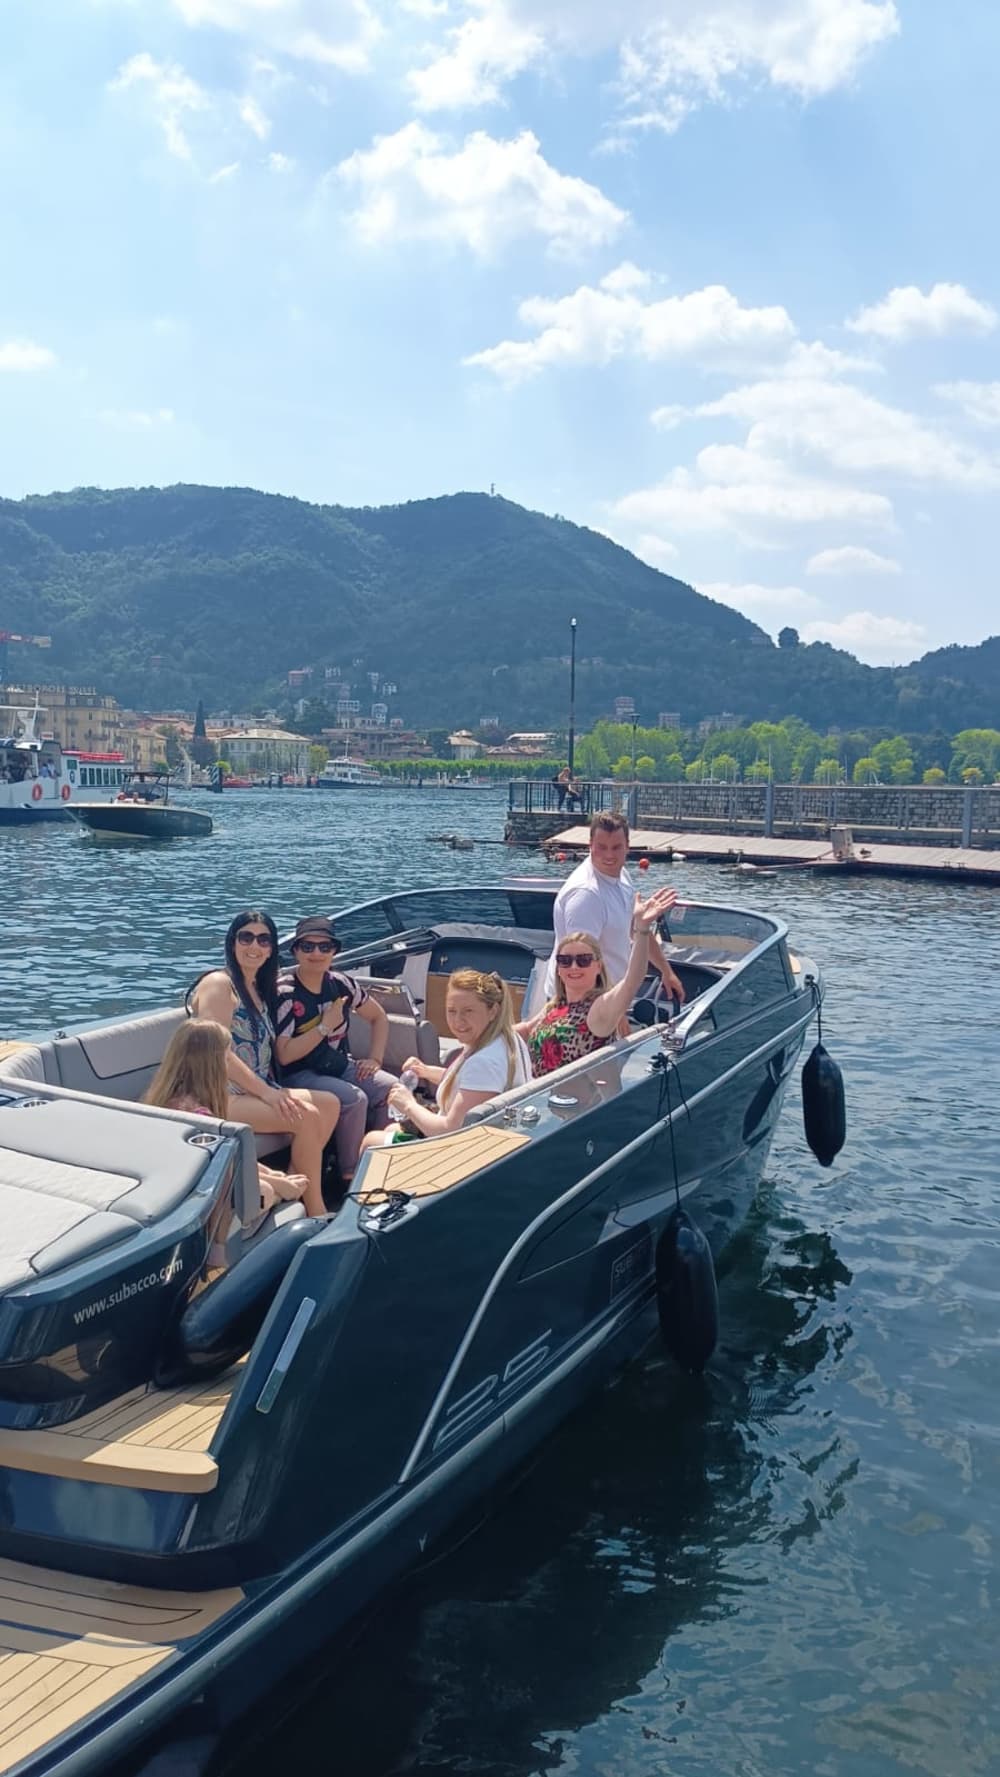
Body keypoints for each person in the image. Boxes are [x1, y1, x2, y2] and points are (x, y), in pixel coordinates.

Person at [188, 911, 339, 1219]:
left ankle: (291, 1192)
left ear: (271, 948)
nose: (254, 946)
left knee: (330, 1104)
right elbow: (218, 1053)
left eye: (263, 939)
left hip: (253, 1091)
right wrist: (269, 1094)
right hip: (215, 1095)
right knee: (306, 1116)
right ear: (232, 942)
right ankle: (316, 1210)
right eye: (246, 937)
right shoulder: (219, 984)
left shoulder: (257, 989)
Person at [145, 1018, 308, 1217]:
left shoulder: (166, 1098)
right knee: (264, 1190)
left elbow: (231, 1158)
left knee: (268, 1182)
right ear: (212, 1064)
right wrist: (279, 1185)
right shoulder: (199, 1116)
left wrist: (270, 1173)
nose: (230, 1063)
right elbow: (222, 1168)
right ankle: (279, 1198)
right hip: (192, 1189)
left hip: (180, 1178)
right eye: (227, 1057)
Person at [275, 916, 395, 1182]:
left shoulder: (342, 984)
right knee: (355, 1099)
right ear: (295, 951)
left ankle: (381, 1155)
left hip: (338, 1064)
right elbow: (284, 1055)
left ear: (334, 951)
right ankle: (350, 1174)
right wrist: (324, 1027)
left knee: (392, 1088)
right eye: (307, 947)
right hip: (298, 1072)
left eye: (324, 947)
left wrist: (375, 1058)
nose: (316, 953)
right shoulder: (285, 992)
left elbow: (378, 1017)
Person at [359, 969, 531, 1149]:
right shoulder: (504, 1037)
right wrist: (425, 1071)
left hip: (460, 1152)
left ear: (493, 1011)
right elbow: (470, 1086)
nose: (458, 1021)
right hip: (485, 1141)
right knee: (391, 1129)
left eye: (468, 1011)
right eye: (452, 1011)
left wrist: (408, 1104)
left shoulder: (484, 1062)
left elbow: (450, 1131)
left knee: (371, 1142)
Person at [520, 886, 676, 1077]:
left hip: (581, 1103)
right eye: (565, 961)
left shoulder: (600, 1008)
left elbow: (632, 980)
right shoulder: (555, 1006)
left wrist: (642, 929)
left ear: (598, 966)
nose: (574, 967)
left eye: (583, 960)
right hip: (540, 1097)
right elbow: (527, 1029)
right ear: (558, 969)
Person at [543, 810, 685, 1005]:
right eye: (602, 847)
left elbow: (636, 928)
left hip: (610, 998)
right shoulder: (587, 895)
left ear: (627, 847)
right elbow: (578, 967)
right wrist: (611, 1013)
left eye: (616, 847)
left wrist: (666, 971)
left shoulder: (622, 876)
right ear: (590, 845)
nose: (609, 855)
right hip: (579, 1005)